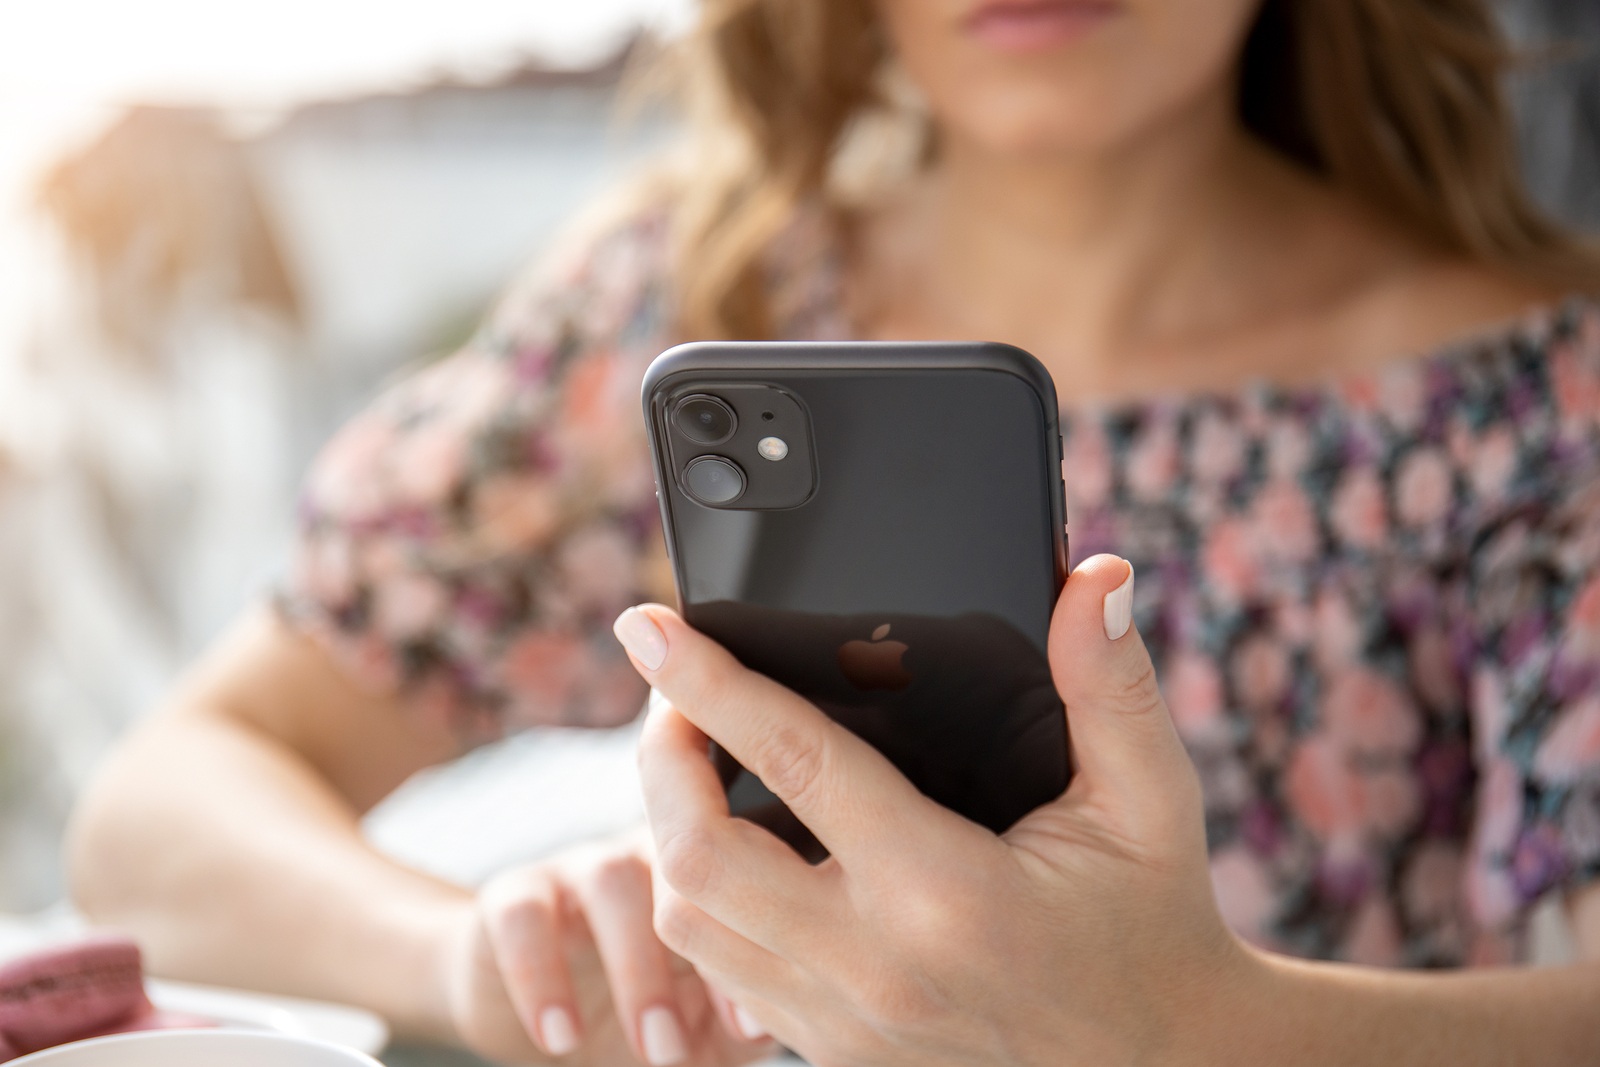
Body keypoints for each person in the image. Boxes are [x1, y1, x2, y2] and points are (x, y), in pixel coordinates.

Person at [70, 0, 1600, 1063]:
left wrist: (1191, 1037)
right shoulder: (689, 316)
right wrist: (471, 960)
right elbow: (159, 818)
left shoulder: (1545, 399)